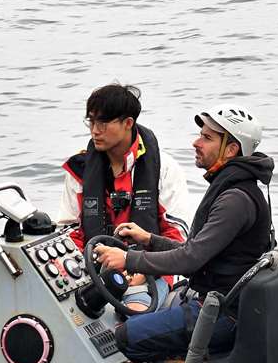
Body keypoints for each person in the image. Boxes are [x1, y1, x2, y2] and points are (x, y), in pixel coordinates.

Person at [92, 104, 274, 363]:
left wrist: (128, 259)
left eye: (207, 138)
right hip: (221, 304)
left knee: (124, 337)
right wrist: (149, 239)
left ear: (231, 149)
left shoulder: (235, 200)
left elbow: (191, 260)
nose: (195, 142)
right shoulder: (235, 188)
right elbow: (197, 251)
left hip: (222, 316)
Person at [57, 84, 190, 312]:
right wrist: (83, 269)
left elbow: (177, 235)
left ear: (128, 123)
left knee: (136, 316)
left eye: (103, 123)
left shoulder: (165, 168)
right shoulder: (79, 170)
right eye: (91, 122)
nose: (94, 131)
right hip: (93, 271)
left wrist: (144, 269)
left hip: (150, 273)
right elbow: (69, 232)